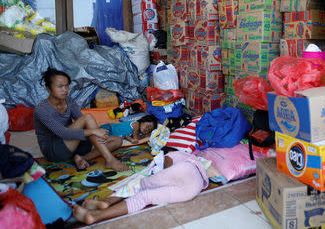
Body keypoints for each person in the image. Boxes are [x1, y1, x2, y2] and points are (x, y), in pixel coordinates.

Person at [73, 151, 213, 225]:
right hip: (193, 188)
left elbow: (168, 162)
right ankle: (94, 216)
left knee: (143, 184)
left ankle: (106, 203)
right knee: (145, 196)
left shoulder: (177, 155)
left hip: (187, 171)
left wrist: (156, 175)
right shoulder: (191, 161)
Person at [33, 67, 129, 171]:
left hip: (73, 142)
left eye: (67, 86)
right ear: (48, 89)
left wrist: (95, 134)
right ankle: (110, 160)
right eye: (60, 86)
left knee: (117, 140)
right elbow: (63, 133)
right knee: (87, 118)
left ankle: (81, 158)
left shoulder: (69, 101)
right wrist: (94, 131)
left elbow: (81, 120)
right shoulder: (41, 109)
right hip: (55, 150)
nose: (65, 90)